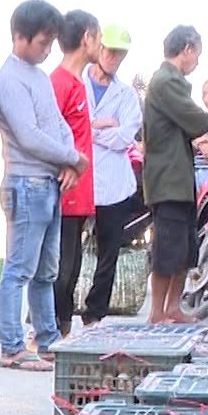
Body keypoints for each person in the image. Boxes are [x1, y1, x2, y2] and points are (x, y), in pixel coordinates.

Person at [0, 0, 86, 372]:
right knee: (18, 269)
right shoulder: (9, 78)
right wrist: (72, 158)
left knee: (47, 271)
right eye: (43, 43)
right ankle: (11, 346)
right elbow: (29, 136)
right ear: (20, 36)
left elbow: (57, 124)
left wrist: (70, 158)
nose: (47, 51)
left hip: (47, 183)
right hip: (25, 182)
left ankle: (46, 340)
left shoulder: (39, 78)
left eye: (50, 44)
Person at [142, 25, 208, 323]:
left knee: (186, 248)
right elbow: (196, 119)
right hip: (168, 181)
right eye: (196, 53)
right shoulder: (166, 82)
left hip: (180, 179)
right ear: (186, 49)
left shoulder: (171, 82)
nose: (196, 61)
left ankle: (173, 307)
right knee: (167, 249)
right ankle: (157, 311)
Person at [81, 24, 144, 327]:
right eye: (109, 50)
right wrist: (101, 124)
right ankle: (60, 312)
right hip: (79, 177)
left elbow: (125, 138)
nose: (113, 57)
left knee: (108, 253)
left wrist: (91, 130)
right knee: (67, 250)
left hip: (115, 184)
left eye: (120, 53)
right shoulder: (77, 83)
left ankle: (95, 314)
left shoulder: (128, 95)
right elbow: (68, 127)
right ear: (97, 47)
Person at [50, 9, 100, 336]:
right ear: (86, 38)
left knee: (73, 261)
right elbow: (49, 133)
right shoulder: (59, 82)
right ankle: (52, 327)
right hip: (65, 189)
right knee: (62, 263)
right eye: (98, 37)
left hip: (80, 191)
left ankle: (62, 327)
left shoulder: (77, 83)